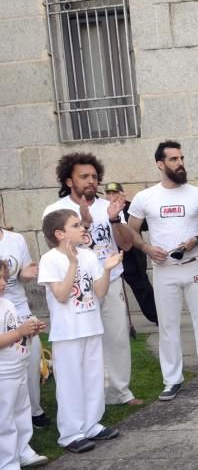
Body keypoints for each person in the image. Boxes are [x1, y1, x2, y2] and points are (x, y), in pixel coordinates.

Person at [126, 141, 198, 401]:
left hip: (195, 266)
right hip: (164, 269)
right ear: (160, 164)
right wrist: (147, 249)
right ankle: (172, 380)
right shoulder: (144, 198)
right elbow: (131, 231)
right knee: (168, 325)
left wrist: (197, 238)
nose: (180, 163)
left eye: (181, 158)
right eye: (173, 159)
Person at [42, 154, 141, 407]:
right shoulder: (55, 210)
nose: (91, 181)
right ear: (68, 180)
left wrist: (114, 218)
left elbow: (127, 244)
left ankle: (120, 392)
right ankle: (90, 396)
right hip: (77, 287)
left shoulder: (108, 205)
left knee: (117, 336)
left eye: (94, 177)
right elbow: (54, 248)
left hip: (110, 278)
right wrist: (84, 223)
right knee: (85, 341)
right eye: (83, 176)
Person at [38, 209, 123, 453]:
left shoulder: (88, 255)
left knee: (93, 378)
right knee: (70, 383)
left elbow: (99, 292)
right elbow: (62, 295)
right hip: (68, 332)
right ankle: (71, 433)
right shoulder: (51, 259)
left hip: (90, 325)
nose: (82, 228)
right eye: (75, 225)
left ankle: (91, 424)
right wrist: (72, 263)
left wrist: (106, 269)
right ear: (60, 233)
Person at [0, 260, 48, 470]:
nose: (3, 283)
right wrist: (19, 331)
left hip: (17, 368)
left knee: (21, 410)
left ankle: (23, 449)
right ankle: (6, 465)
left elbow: (15, 331)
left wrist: (30, 331)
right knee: (4, 419)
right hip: (3, 373)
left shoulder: (7, 303)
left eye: (4, 278)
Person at [0, 225, 47, 427]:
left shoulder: (15, 238)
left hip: (17, 306)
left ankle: (34, 411)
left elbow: (23, 273)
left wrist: (26, 274)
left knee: (31, 354)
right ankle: (9, 418)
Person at [105, 182, 158, 326]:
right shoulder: (103, 208)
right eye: (108, 193)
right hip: (112, 254)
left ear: (122, 193)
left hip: (132, 254)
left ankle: (157, 316)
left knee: (141, 285)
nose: (111, 196)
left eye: (114, 193)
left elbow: (146, 225)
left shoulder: (131, 207)